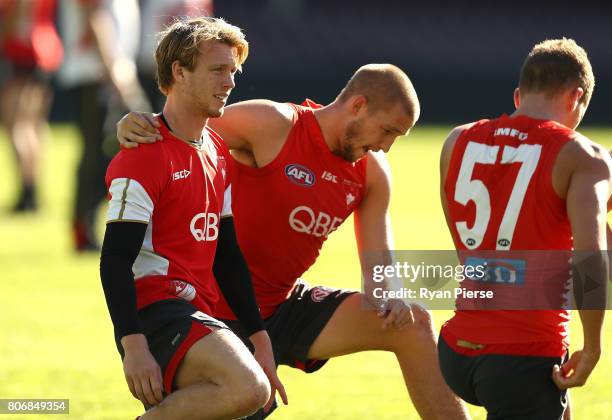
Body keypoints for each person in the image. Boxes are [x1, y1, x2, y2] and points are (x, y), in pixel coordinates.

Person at [118, 64, 469, 419]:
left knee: (412, 324)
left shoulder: (371, 172)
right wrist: (138, 124)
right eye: (387, 131)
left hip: (283, 306)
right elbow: (182, 131)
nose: (386, 147)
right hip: (214, 313)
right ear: (358, 106)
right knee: (248, 400)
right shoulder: (274, 125)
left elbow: (378, 270)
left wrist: (391, 293)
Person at [100, 17, 286, 419]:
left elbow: (226, 254)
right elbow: (115, 260)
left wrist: (260, 338)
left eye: (233, 71)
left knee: (257, 404)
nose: (230, 82)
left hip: (196, 310)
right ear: (179, 72)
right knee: (247, 388)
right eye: (218, 70)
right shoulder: (143, 154)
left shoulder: (217, 149)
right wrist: (133, 345)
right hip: (155, 311)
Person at [437, 38, 610, 419]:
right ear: (576, 97)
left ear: (519, 96)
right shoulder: (583, 155)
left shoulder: (456, 141)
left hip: (454, 349)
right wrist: (594, 345)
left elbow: (468, 245)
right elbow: (591, 256)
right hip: (525, 354)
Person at [57, 0, 151, 251]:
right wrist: (116, 73)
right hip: (97, 73)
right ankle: (84, 227)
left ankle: (90, 225)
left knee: (109, 153)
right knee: (100, 156)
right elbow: (95, 17)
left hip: (109, 73)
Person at [0, 0, 63, 212]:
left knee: (18, 126)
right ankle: (33, 191)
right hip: (46, 50)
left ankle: (27, 192)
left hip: (23, 51)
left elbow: (18, 15)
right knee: (35, 125)